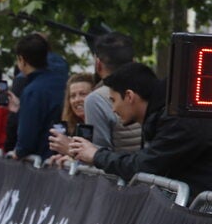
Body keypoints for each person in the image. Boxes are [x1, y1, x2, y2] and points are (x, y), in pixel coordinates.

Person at [68, 62, 212, 197]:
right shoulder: (164, 117)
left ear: (129, 96)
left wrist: (96, 155)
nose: (113, 109)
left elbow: (145, 165)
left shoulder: (179, 122)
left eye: (113, 100)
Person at [11, 33, 68, 160]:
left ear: (22, 60)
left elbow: (27, 136)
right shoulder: (63, 82)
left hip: (43, 159)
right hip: (64, 156)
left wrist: (19, 151)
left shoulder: (32, 91)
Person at [83, 31, 142, 153]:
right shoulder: (149, 89)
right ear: (134, 62)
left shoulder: (96, 100)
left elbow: (97, 153)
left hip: (117, 170)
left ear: (98, 64)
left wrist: (70, 150)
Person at [47, 73, 95, 161]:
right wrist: (69, 158)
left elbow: (102, 158)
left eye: (83, 94)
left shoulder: (102, 125)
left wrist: (71, 151)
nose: (77, 100)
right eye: (73, 96)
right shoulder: (74, 127)